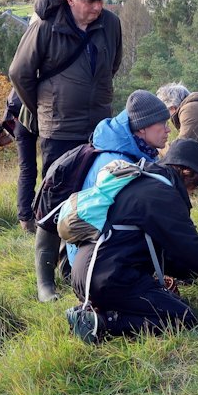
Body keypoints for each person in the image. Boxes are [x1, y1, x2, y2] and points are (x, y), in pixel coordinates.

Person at [67, 139, 198, 343]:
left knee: (169, 307)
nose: (196, 191)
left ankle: (104, 308)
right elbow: (192, 247)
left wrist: (197, 271)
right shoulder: (160, 194)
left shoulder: (144, 183)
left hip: (90, 276)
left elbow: (163, 251)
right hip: (111, 278)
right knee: (182, 318)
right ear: (186, 172)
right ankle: (101, 322)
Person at [37, 90, 173, 302]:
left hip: (91, 251)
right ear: (142, 128)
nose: (168, 129)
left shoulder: (132, 151)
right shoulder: (116, 164)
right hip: (94, 262)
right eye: (162, 123)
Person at [8, 0, 123, 176]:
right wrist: (44, 107)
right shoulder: (46, 26)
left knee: (93, 192)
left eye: (100, 0)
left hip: (98, 128)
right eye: (90, 1)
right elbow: (19, 72)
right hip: (59, 131)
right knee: (57, 193)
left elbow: (112, 66)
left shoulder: (111, 24)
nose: (97, 7)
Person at [6, 88, 38, 234]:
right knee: (51, 167)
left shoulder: (23, 76)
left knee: (26, 170)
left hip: (19, 122)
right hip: (37, 120)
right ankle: (44, 214)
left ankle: (26, 220)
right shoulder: (46, 72)